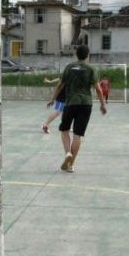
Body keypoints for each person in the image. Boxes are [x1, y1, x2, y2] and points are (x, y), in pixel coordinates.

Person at [47, 45, 107, 173]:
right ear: (87, 55)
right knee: (78, 135)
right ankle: (71, 164)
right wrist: (102, 104)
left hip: (71, 103)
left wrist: (53, 99)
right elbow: (98, 89)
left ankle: (68, 153)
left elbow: (59, 85)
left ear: (76, 55)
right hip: (86, 104)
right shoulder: (91, 69)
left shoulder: (69, 67)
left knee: (64, 130)